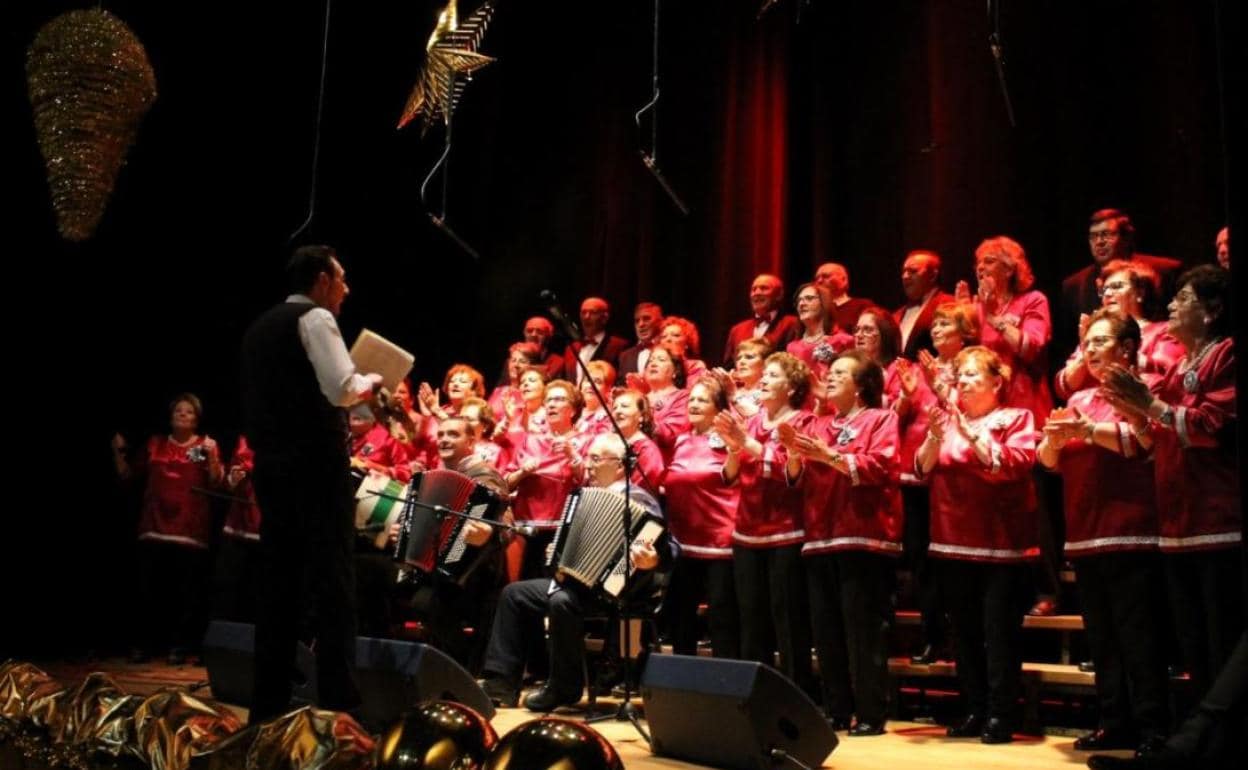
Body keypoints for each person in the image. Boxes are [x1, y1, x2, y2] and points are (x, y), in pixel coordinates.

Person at [239, 244, 383, 724]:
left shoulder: (259, 327)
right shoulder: (317, 319)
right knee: (332, 581)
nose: (345, 289)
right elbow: (341, 387)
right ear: (321, 279)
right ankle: (340, 701)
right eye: (341, 280)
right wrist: (371, 381)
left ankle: (268, 702)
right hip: (315, 468)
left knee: (278, 583)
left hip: (273, 468)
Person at [478, 433, 675, 711]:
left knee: (562, 602)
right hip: (576, 586)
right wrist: (557, 555)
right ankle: (501, 685)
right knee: (514, 594)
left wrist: (651, 561)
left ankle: (564, 687)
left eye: (596, 459)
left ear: (619, 465)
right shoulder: (582, 497)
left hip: (621, 587)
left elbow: (666, 552)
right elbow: (571, 542)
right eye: (589, 458)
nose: (589, 465)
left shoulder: (641, 501)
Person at [914, 346, 1039, 744]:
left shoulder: (1016, 417)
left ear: (996, 382)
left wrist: (971, 433)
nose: (963, 382)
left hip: (1000, 545)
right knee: (963, 632)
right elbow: (922, 467)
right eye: (960, 375)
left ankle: (1003, 713)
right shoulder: (949, 420)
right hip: (951, 543)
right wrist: (936, 435)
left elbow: (1015, 465)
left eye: (972, 375)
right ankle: (974, 707)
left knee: (998, 631)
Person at [113, 392, 223, 664]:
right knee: (148, 590)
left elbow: (216, 482)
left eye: (189, 412)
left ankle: (181, 646)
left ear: (197, 419)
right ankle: (144, 644)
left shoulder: (200, 447)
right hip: (154, 527)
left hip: (189, 530)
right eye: (178, 411)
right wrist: (117, 451)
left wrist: (211, 457)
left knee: (187, 594)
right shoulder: (156, 445)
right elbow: (129, 475)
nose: (183, 414)